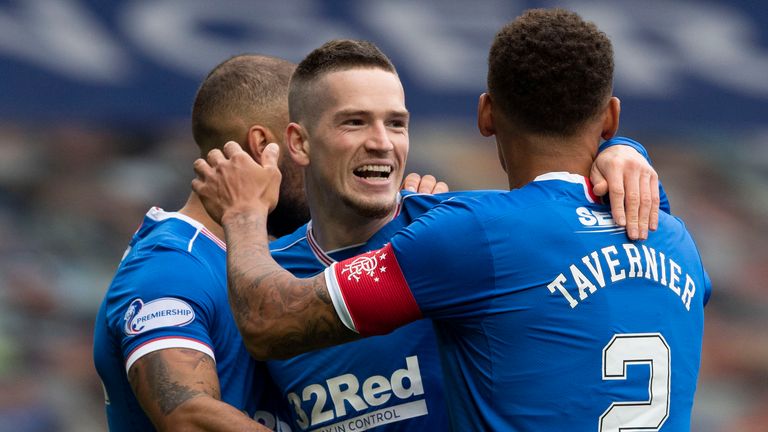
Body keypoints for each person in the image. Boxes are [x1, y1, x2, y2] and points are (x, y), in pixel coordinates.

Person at [191, 9, 709, 432]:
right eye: (355, 121)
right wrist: (624, 149)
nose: (380, 140)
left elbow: (266, 322)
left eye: (396, 122)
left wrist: (242, 213)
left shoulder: (473, 233)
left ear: (485, 114)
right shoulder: (676, 239)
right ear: (611, 117)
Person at [92, 54, 301, 432]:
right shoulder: (171, 266)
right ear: (262, 147)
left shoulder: (278, 257)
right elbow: (189, 418)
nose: (318, 165)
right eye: (304, 145)